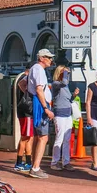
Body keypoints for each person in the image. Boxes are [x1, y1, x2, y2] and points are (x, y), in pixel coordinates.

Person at [27, 49, 55, 179]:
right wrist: (46, 108)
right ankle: (35, 167)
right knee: (43, 137)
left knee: (38, 137)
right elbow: (39, 89)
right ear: (42, 58)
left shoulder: (34, 69)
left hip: (37, 104)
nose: (51, 60)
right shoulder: (39, 69)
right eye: (48, 57)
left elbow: (23, 83)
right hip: (41, 105)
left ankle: (34, 165)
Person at [50, 65, 78, 171]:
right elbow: (64, 83)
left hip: (67, 114)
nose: (67, 75)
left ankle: (66, 162)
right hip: (60, 114)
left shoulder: (65, 86)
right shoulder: (56, 84)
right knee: (59, 138)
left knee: (66, 139)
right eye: (64, 73)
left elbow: (68, 100)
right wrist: (65, 73)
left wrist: (74, 96)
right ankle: (54, 162)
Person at [15, 62, 34, 172]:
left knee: (29, 137)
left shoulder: (25, 77)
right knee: (25, 137)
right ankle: (18, 162)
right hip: (26, 112)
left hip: (27, 112)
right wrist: (28, 93)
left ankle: (28, 161)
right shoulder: (25, 77)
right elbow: (21, 84)